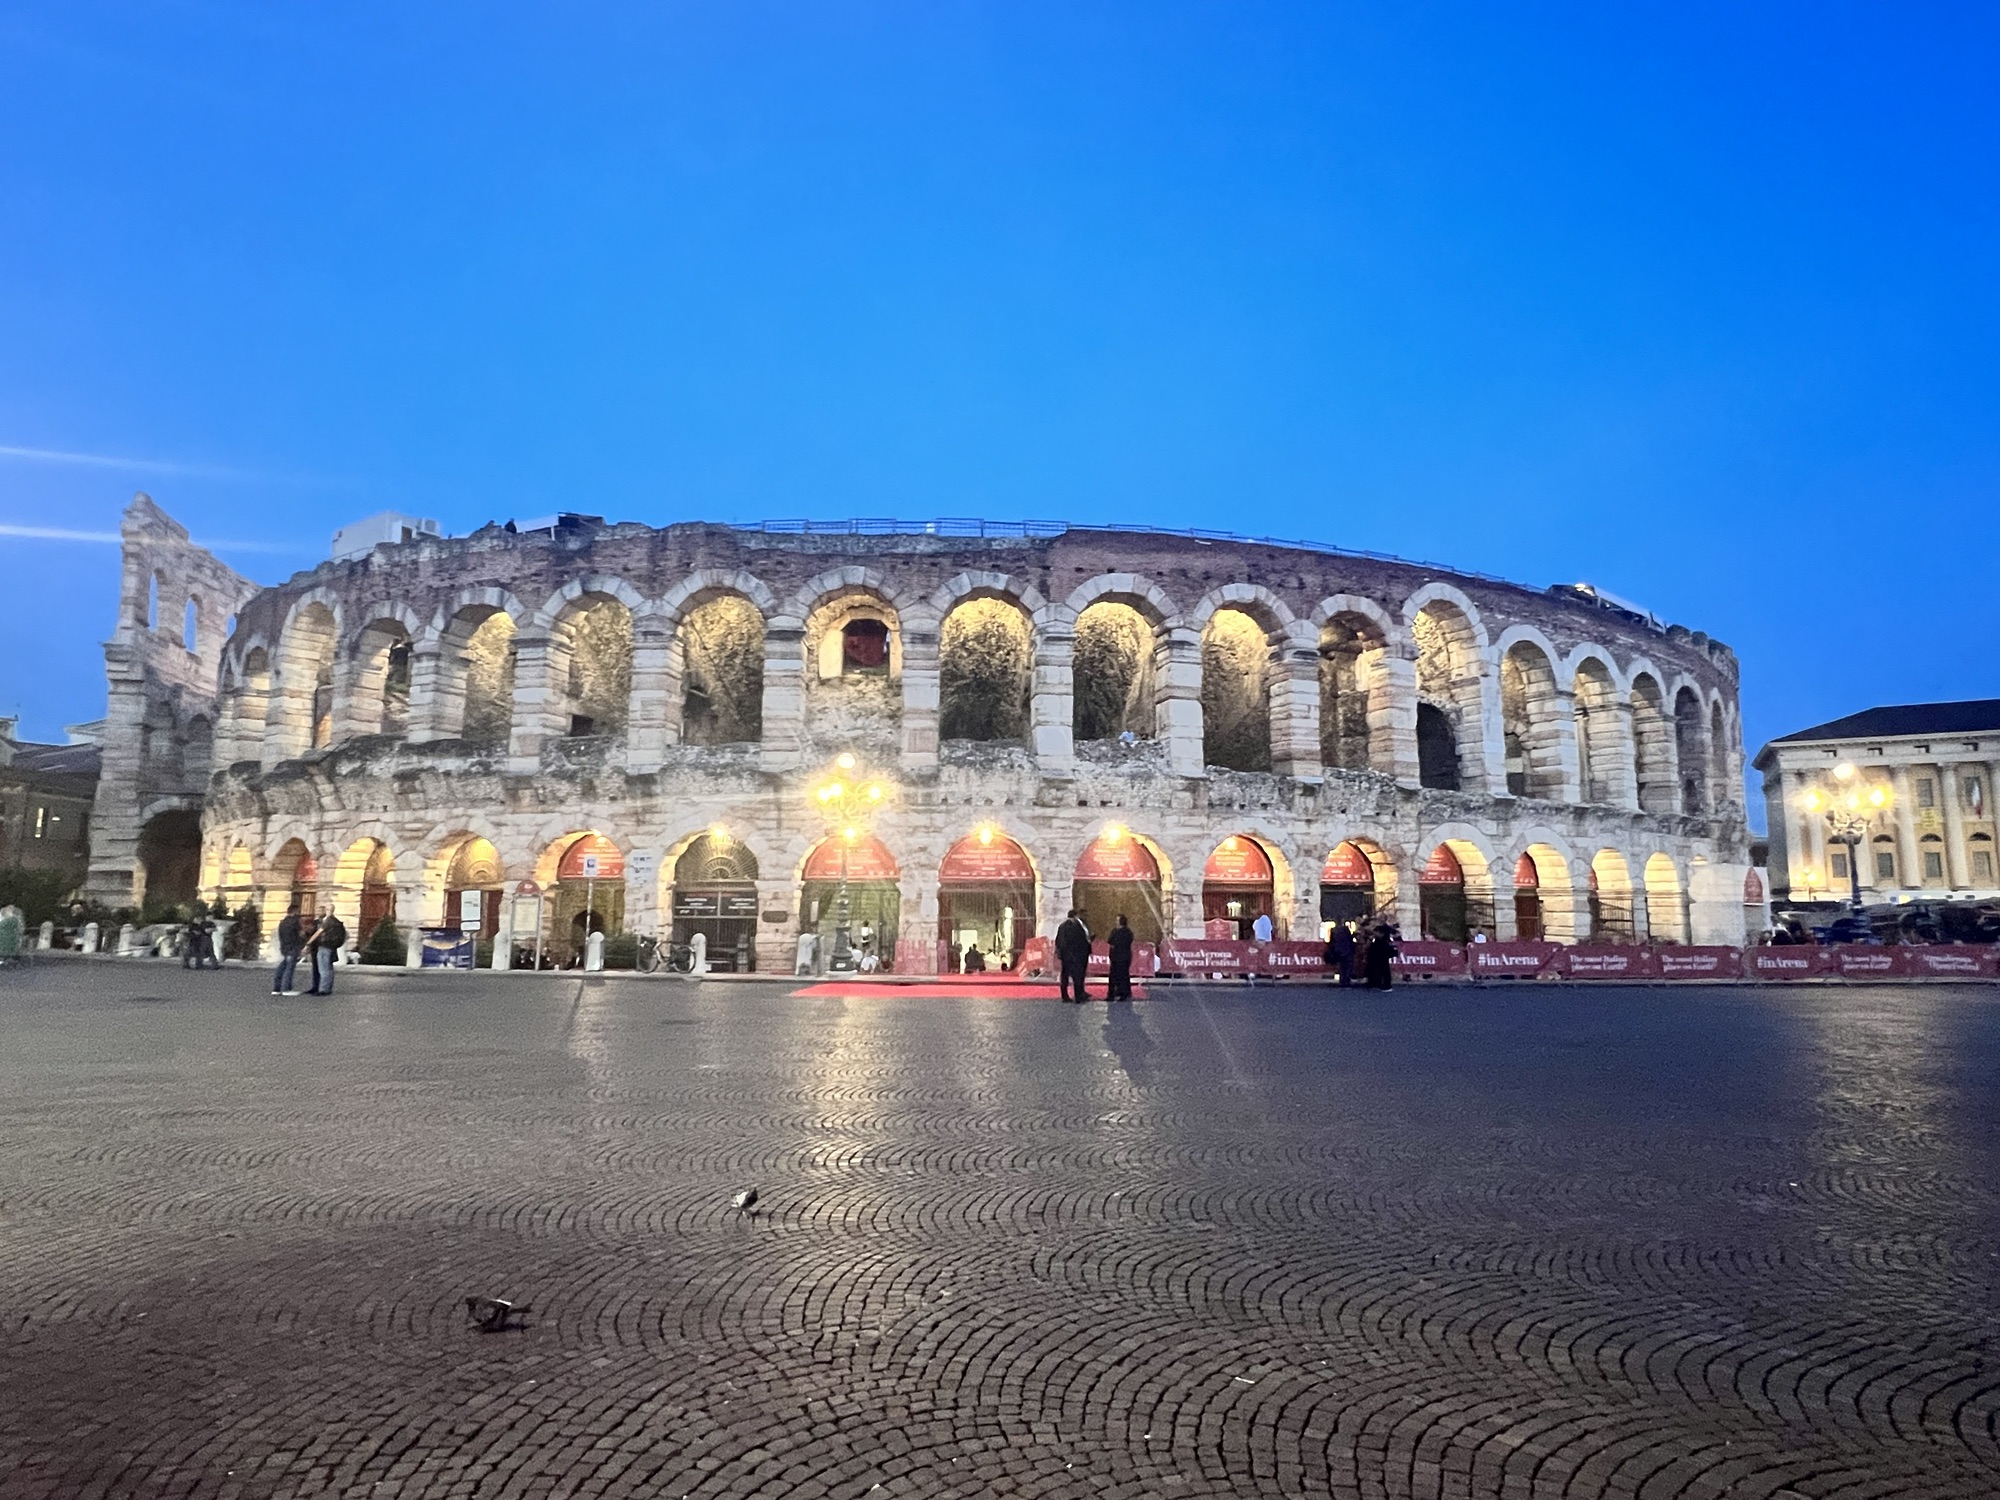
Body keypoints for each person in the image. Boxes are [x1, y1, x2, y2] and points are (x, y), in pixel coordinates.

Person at [1054, 908, 1093, 1002]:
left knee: (1065, 976)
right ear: (1076, 916)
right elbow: (1078, 941)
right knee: (1077, 976)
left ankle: (1065, 995)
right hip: (1076, 955)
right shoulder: (1075, 927)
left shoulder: (1062, 926)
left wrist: (1060, 952)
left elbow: (1058, 940)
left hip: (1065, 955)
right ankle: (1078, 995)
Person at [307, 911, 347, 995]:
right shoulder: (336, 922)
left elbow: (318, 932)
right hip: (331, 947)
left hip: (324, 946)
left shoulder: (328, 921)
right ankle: (328, 988)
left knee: (323, 969)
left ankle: (323, 989)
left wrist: (308, 943)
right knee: (329, 968)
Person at [273, 902, 305, 995]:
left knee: (282, 966)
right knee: (290, 968)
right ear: (294, 911)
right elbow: (301, 934)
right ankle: (286, 989)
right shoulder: (295, 922)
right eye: (298, 911)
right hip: (293, 947)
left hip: (284, 947)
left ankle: (276, 988)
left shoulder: (282, 922)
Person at [1106, 914, 1135, 1001]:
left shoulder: (1125, 932)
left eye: (1117, 920)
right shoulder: (1116, 931)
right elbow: (1110, 941)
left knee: (1122, 975)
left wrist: (1116, 944)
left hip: (1122, 957)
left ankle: (1122, 993)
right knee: (1115, 976)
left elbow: (1115, 942)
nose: (1116, 922)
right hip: (1117, 956)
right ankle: (1113, 993)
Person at [1363, 922, 1397, 990]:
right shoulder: (1378, 940)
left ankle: (1385, 985)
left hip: (1381, 958)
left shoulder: (1383, 941)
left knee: (1384, 971)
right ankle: (1376, 983)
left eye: (1376, 932)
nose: (1375, 934)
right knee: (1378, 971)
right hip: (1377, 959)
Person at [1326, 921, 1357, 987]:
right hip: (1346, 950)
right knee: (1347, 966)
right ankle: (1346, 980)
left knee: (1342, 967)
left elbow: (1331, 941)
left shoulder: (1334, 930)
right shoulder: (1345, 930)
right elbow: (1350, 939)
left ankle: (1342, 980)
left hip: (1338, 950)